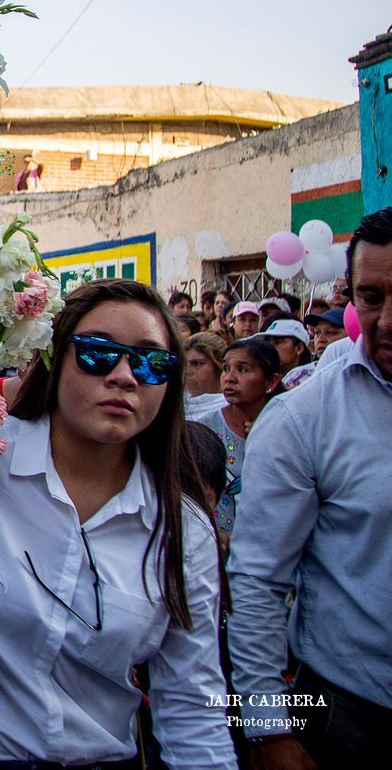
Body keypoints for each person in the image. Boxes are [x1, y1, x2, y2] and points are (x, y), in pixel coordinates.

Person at [0, 279, 234, 768]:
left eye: (150, 362)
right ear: (54, 356)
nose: (124, 376)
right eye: (98, 353)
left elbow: (193, 703)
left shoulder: (182, 531)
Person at [228, 207, 392, 768]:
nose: (387, 320)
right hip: (352, 717)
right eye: (371, 298)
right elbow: (257, 579)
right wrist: (269, 730)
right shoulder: (306, 417)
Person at [197, 338, 282, 537]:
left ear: (271, 381)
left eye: (243, 369)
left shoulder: (286, 430)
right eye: (226, 369)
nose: (229, 378)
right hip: (216, 548)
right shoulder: (205, 429)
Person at [184, 331, 229, 420]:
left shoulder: (234, 411)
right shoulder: (174, 405)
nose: (187, 371)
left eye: (196, 363)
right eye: (184, 364)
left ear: (219, 366)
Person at [254, 315, 312, 384]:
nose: (270, 347)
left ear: (299, 348)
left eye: (278, 342)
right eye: (267, 343)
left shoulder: (309, 380)